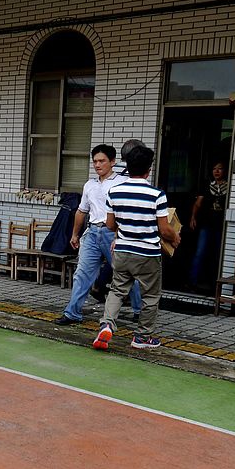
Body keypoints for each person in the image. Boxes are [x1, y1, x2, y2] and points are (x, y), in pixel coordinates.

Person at [93, 145, 180, 351]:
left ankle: (107, 325)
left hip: (122, 250)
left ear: (128, 168)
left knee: (117, 290)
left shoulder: (115, 192)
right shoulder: (157, 195)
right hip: (148, 253)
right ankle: (142, 337)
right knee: (150, 296)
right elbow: (164, 229)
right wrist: (175, 237)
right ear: (148, 170)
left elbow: (110, 224)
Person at [54, 144, 141, 325]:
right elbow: (81, 211)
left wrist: (121, 235)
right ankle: (72, 313)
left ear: (113, 162)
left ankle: (139, 311)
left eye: (102, 161)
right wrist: (75, 234)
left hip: (114, 233)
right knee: (82, 273)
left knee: (126, 273)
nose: (97, 165)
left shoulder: (122, 182)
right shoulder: (90, 185)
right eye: (95, 161)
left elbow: (127, 211)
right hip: (92, 232)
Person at [92, 138, 146, 301]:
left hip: (107, 224)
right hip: (123, 226)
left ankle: (102, 287)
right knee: (126, 267)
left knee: (116, 263)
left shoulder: (116, 171)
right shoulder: (132, 172)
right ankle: (136, 305)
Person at [188, 161, 228, 292]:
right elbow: (198, 203)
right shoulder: (207, 186)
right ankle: (193, 282)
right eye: (214, 169)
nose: (217, 171)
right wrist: (193, 217)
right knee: (200, 252)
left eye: (220, 169)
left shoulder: (229, 186)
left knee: (217, 254)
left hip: (221, 226)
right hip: (206, 224)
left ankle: (214, 283)